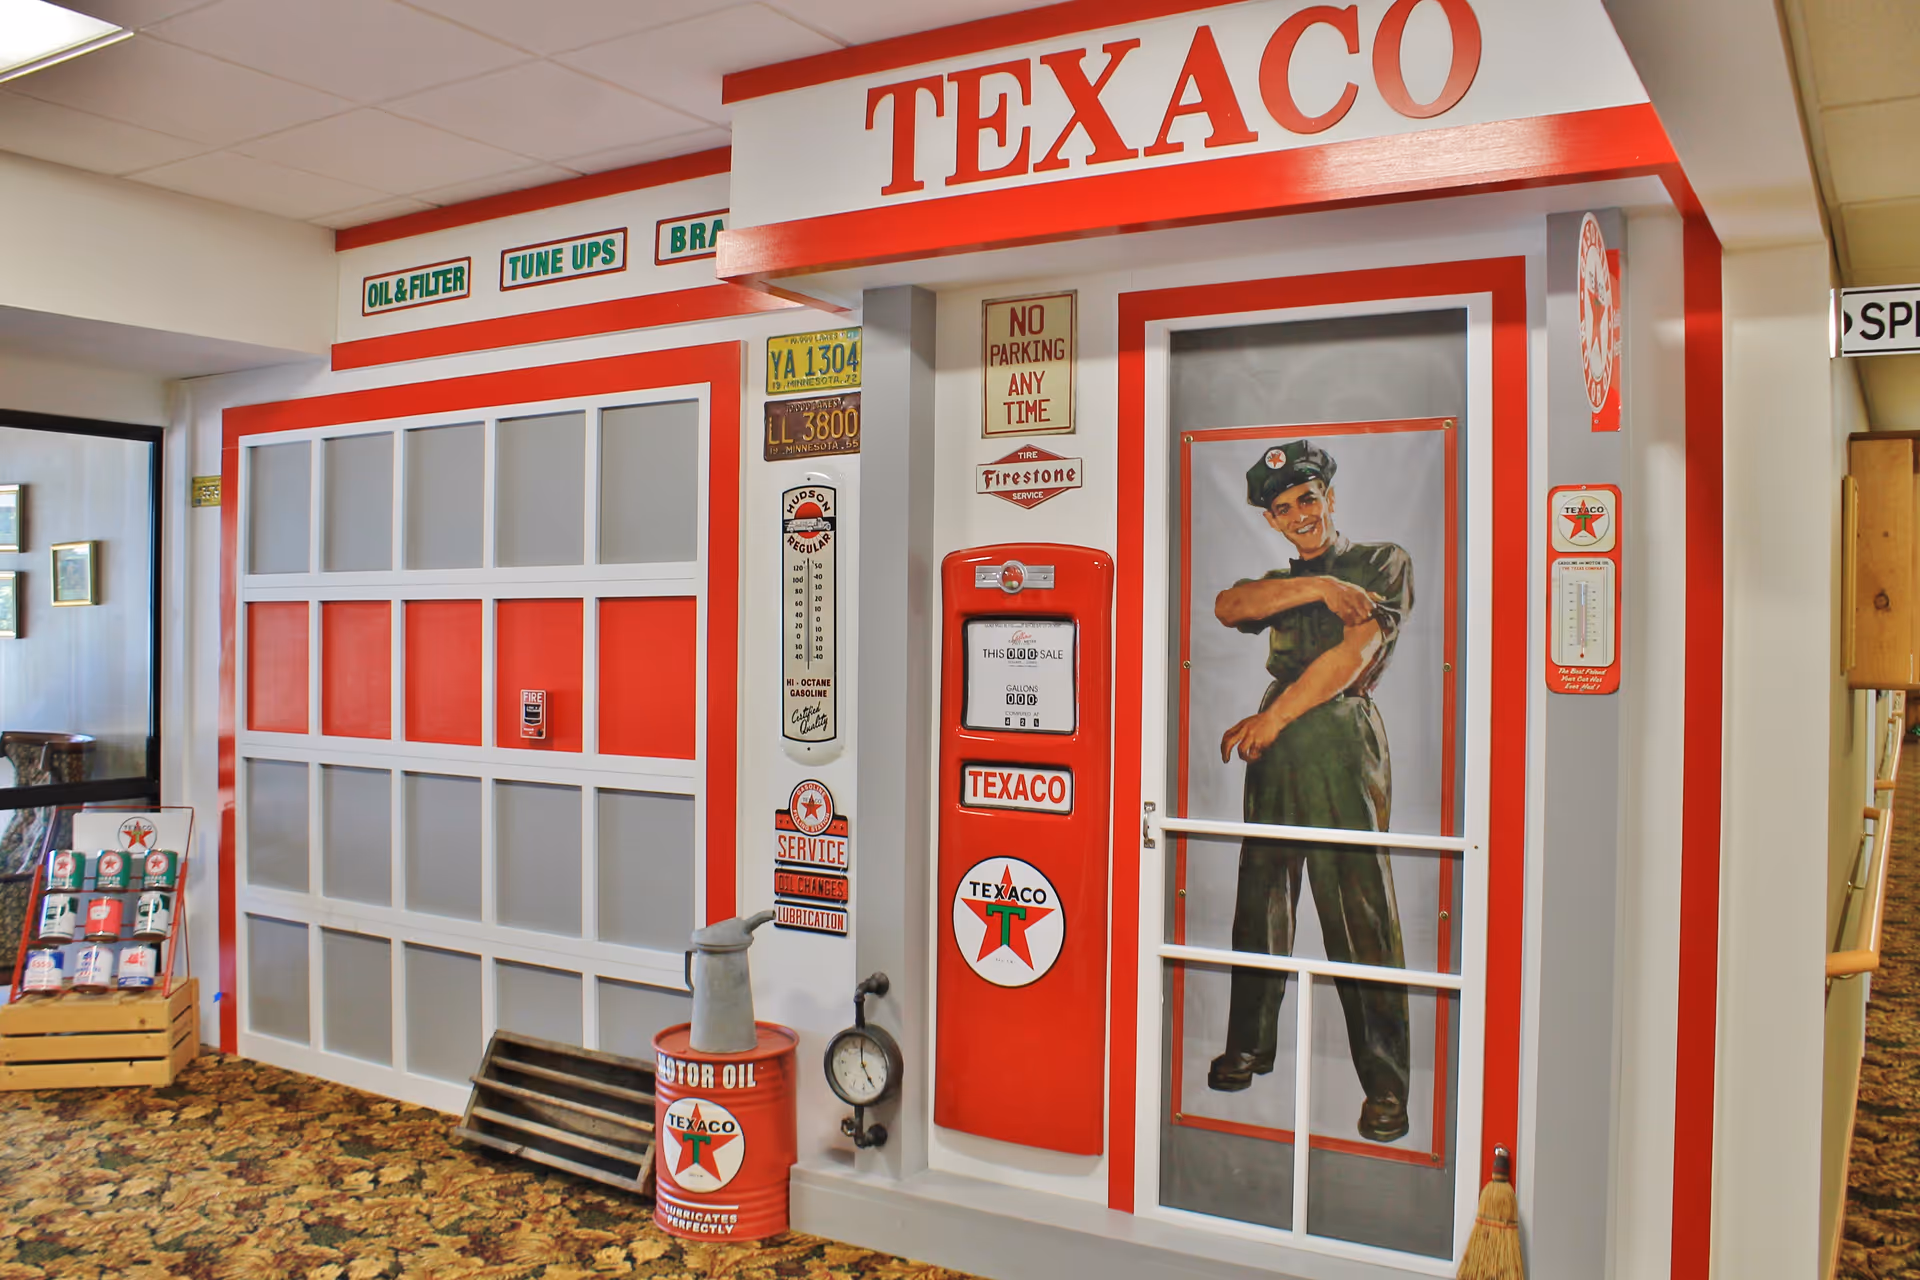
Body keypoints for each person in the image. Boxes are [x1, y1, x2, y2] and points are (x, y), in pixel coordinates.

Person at [1206, 440, 1413, 1144]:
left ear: (1329, 496)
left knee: (1360, 907)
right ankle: (1249, 1047)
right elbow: (1229, 606)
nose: (1301, 514)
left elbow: (1354, 654)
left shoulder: (1381, 562)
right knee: (1261, 895)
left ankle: (1385, 1085)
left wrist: (1273, 718)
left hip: (1341, 740)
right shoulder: (1284, 581)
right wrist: (1316, 586)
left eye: (1309, 498)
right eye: (1284, 507)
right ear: (1271, 519)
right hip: (1277, 749)